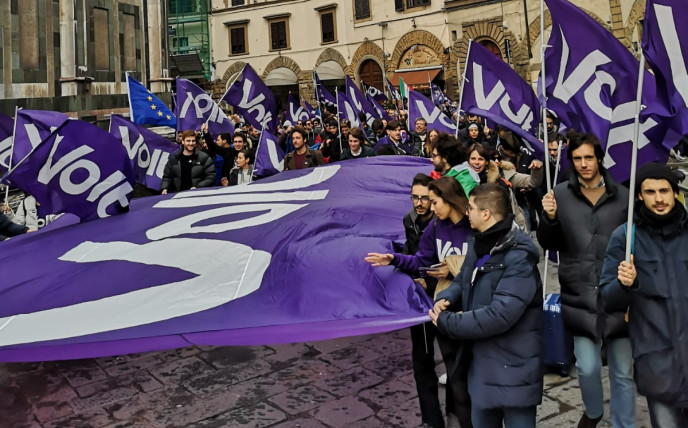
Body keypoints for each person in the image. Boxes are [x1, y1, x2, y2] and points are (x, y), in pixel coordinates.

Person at [537, 132, 634, 428]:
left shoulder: (623, 197)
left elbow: (635, 241)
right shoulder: (560, 194)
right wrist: (549, 217)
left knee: (622, 371)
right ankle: (593, 412)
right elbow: (548, 243)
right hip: (578, 294)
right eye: (577, 158)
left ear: (599, 158)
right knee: (588, 367)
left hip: (618, 294)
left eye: (588, 157)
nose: (583, 164)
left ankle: (624, 424)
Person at [430, 183, 543, 428]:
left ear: (486, 214)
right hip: (482, 365)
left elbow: (499, 315)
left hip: (514, 370)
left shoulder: (519, 260)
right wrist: (447, 297)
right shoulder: (479, 244)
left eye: (470, 208)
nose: (466, 212)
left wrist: (447, 322)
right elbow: (464, 279)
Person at [366, 176, 474, 428]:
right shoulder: (435, 227)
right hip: (440, 305)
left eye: (433, 201)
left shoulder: (474, 224)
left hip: (470, 309)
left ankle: (460, 417)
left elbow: (486, 262)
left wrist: (455, 268)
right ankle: (440, 419)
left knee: (465, 376)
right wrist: (393, 259)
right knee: (443, 368)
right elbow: (421, 259)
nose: (429, 207)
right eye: (418, 198)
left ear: (449, 200)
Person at [600, 163, 688, 428]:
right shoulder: (626, 237)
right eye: (650, 192)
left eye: (664, 191)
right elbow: (608, 297)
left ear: (675, 193)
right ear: (639, 195)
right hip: (656, 360)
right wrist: (625, 283)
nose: (659, 199)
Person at [401, 173, 446, 428]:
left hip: (445, 297)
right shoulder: (409, 220)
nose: (419, 203)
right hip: (420, 304)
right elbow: (412, 253)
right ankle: (432, 419)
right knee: (422, 361)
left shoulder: (443, 222)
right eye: (414, 197)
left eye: (424, 198)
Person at [161, 130, 215, 195]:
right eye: (188, 141)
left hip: (197, 195)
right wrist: (164, 188)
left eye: (193, 141)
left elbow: (211, 176)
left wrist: (198, 187)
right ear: (183, 142)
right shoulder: (174, 158)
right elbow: (167, 177)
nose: (191, 143)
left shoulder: (204, 157)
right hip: (178, 196)